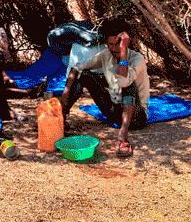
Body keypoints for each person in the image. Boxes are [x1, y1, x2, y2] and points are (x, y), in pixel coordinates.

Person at [57, 23, 149, 157]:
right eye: (110, 45)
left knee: (128, 83)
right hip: (114, 112)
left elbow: (124, 82)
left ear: (125, 43)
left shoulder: (137, 59)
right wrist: (65, 95)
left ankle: (122, 138)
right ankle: (60, 120)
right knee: (86, 75)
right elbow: (77, 67)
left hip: (136, 117)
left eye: (118, 44)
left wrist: (123, 53)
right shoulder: (106, 55)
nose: (114, 49)